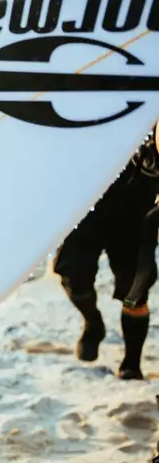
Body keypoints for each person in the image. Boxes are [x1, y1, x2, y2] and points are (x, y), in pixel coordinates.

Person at [51, 121, 159, 380]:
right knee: (73, 278)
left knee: (135, 293)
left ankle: (131, 362)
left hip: (136, 215)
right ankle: (93, 323)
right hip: (87, 208)